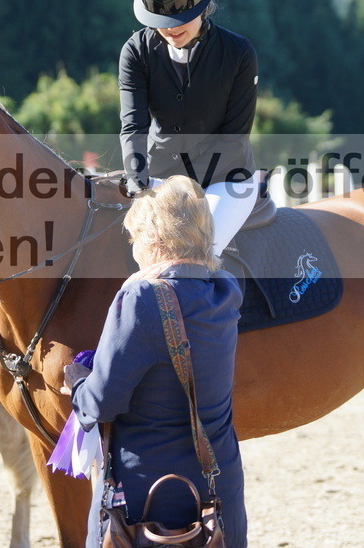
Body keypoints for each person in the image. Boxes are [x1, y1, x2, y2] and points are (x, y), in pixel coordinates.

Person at [65, 176, 247, 547]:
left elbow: (102, 402)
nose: (133, 249)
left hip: (148, 498)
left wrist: (79, 383)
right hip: (218, 490)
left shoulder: (142, 295)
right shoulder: (225, 288)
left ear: (154, 238)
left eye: (134, 238)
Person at [119, 0, 261, 257]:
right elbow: (133, 127)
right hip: (158, 174)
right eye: (160, 20)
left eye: (179, 19)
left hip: (226, 179)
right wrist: (139, 185)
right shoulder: (135, 51)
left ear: (203, 6)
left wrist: (184, 195)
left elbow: (234, 138)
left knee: (196, 255)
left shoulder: (238, 54)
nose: (170, 30)